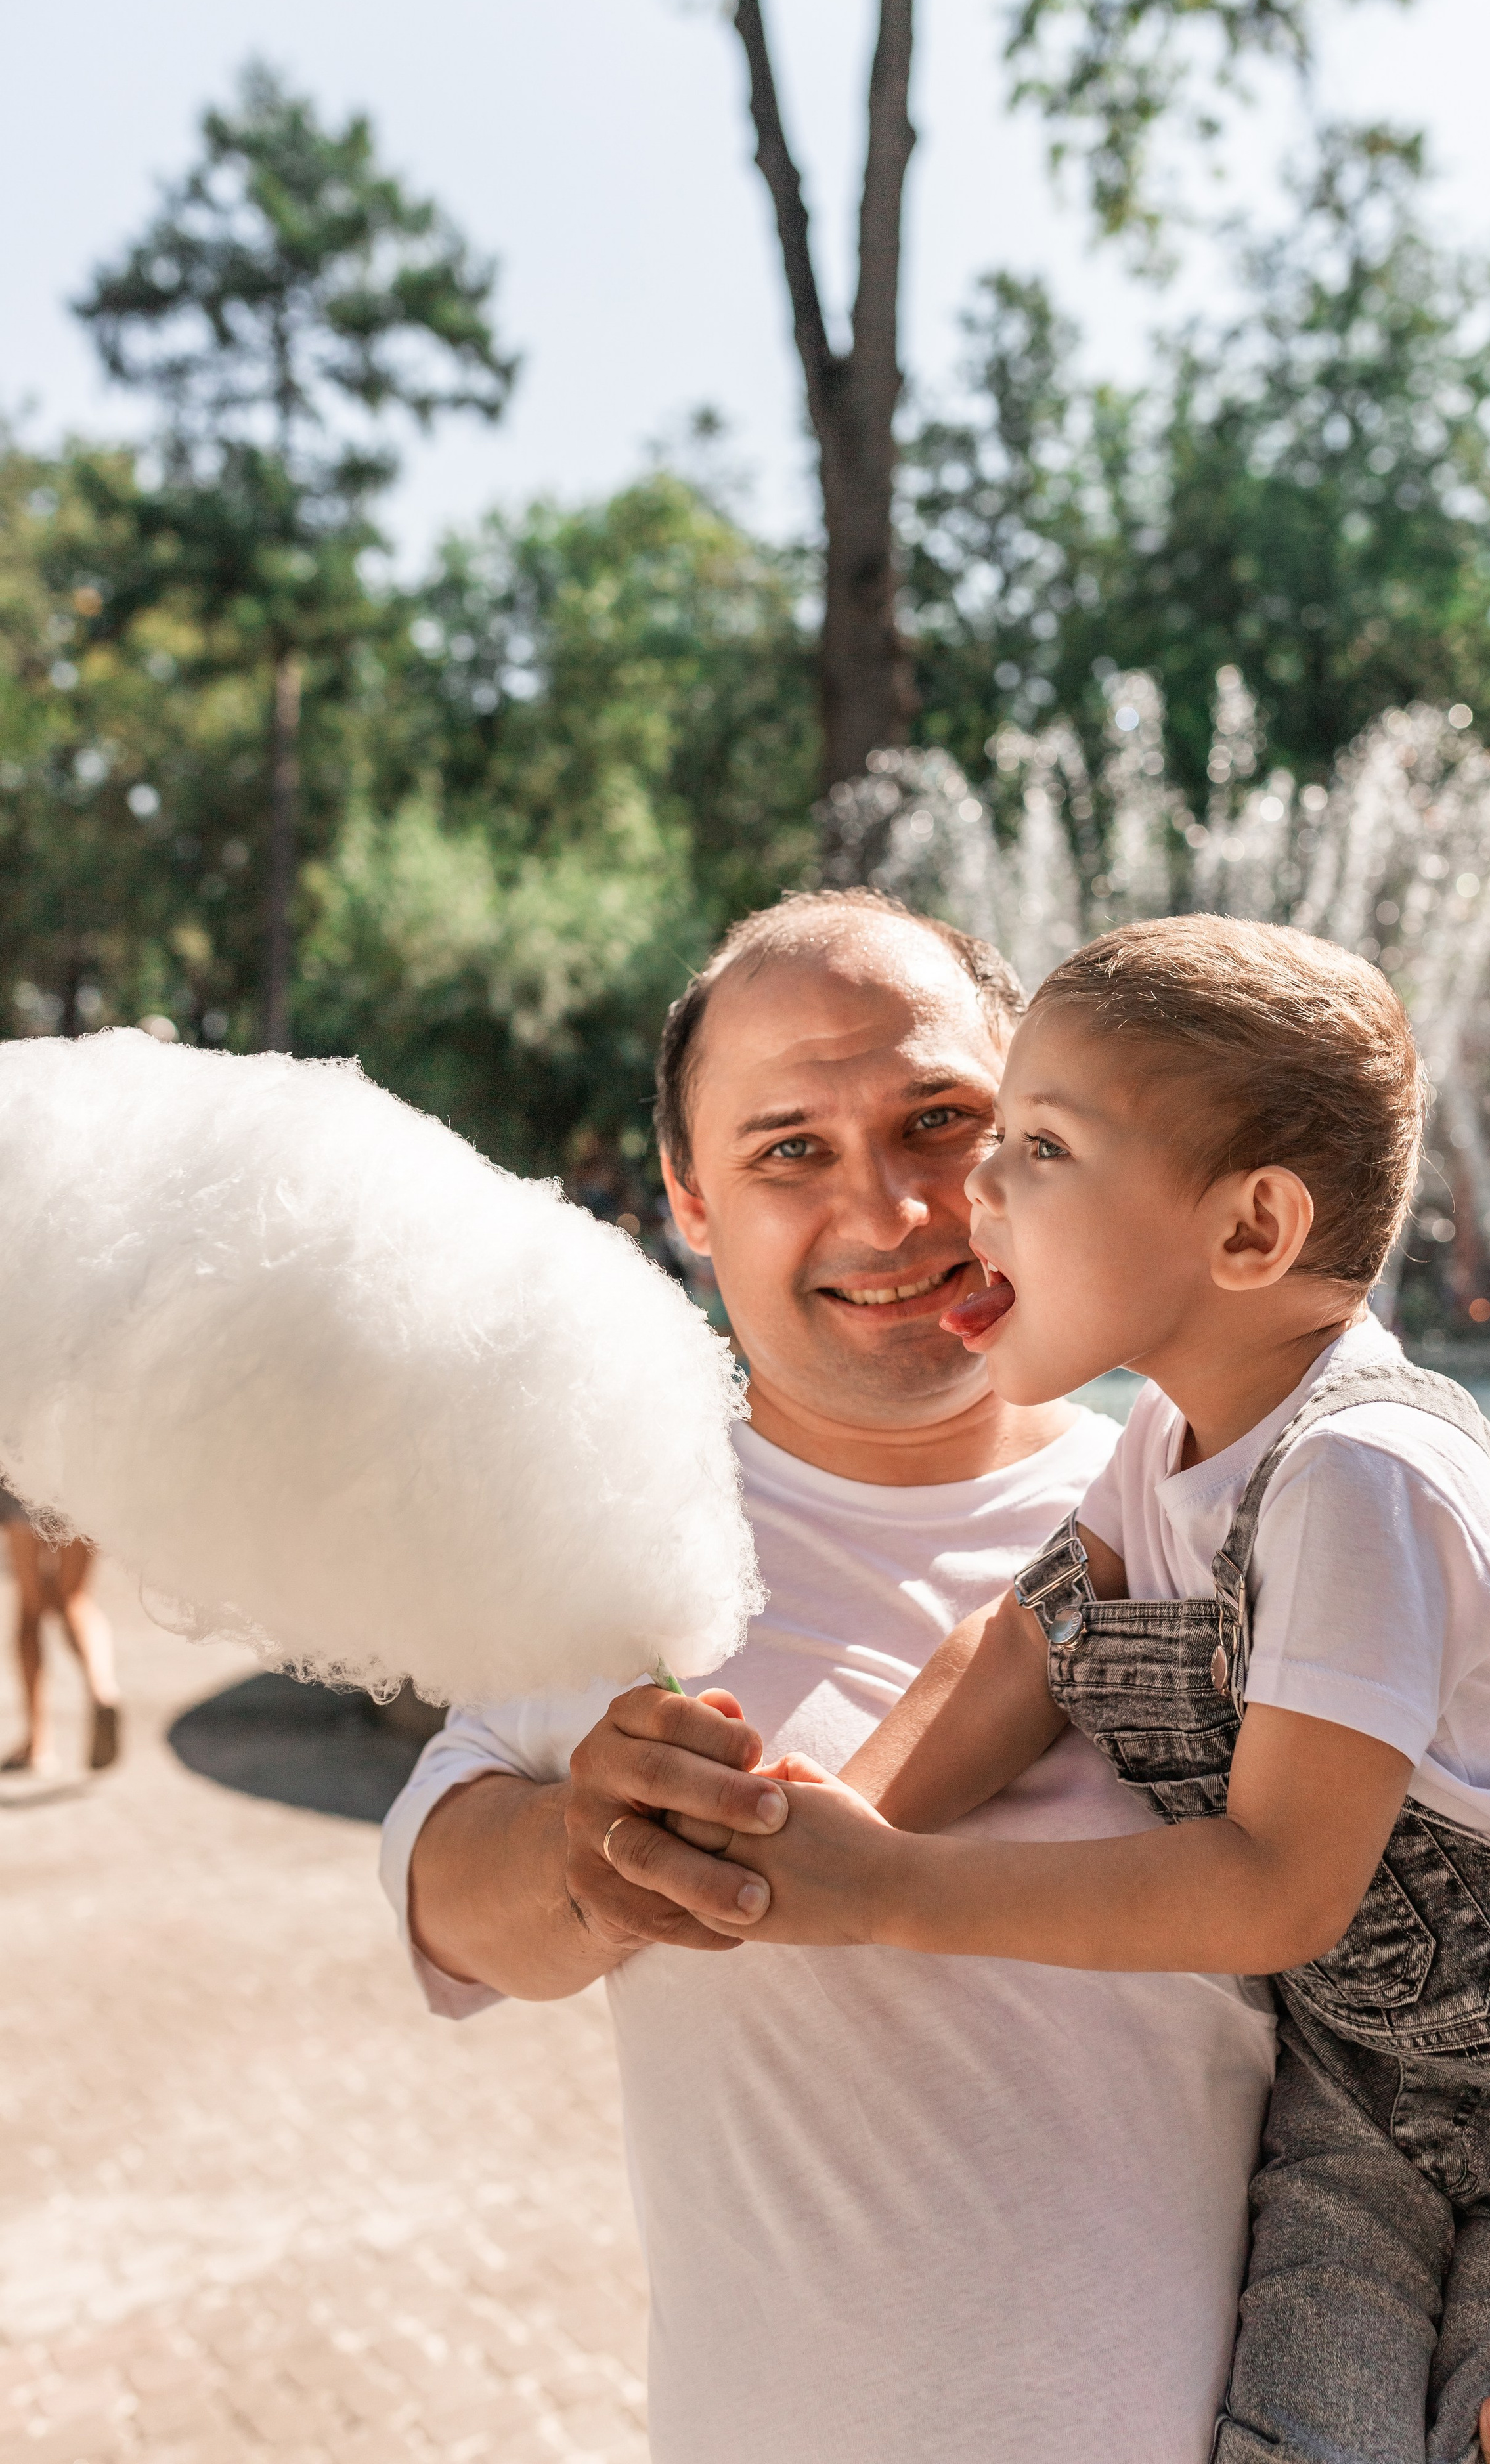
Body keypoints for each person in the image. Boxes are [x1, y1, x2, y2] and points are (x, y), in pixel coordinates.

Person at [678, 917, 1490, 2463]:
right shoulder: (1162, 1443)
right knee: (1295, 2428)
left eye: (1034, 1149)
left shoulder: (1355, 1472)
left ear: (1247, 1230)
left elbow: (1276, 1883)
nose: (975, 1195)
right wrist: (827, 1815)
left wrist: (887, 1886)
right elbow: (1030, 1644)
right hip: (1372, 2072)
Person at [385, 890, 1281, 2463]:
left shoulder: (1239, 1502)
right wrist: (585, 1865)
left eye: (941, 1119)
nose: (887, 1213)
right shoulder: (618, 1552)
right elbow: (443, 1892)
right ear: (686, 1197)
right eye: (787, 1148)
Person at [1, 1482, 121, 1778]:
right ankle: (102, 1689)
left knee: (31, 1607)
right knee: (75, 1598)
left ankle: (37, 1743)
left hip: (23, 1474)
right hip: (83, 1476)